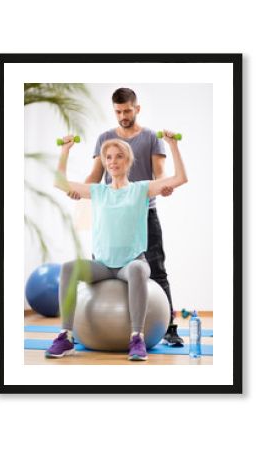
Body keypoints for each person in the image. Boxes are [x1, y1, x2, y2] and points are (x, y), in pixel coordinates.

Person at [45, 133, 187, 361]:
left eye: (119, 156)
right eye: (108, 157)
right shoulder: (97, 191)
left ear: (128, 161)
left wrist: (172, 145)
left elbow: (180, 178)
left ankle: (137, 338)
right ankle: (65, 336)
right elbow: (59, 182)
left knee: (139, 269)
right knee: (69, 268)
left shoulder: (141, 189)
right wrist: (65, 150)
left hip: (131, 263)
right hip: (102, 265)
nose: (113, 161)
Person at [71, 87, 184, 346]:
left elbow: (160, 173)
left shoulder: (150, 139)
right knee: (99, 267)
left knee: (157, 269)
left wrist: (165, 186)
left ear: (137, 109)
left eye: (127, 111)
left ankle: (168, 327)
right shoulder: (104, 138)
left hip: (143, 211)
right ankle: (86, 325)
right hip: (109, 212)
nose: (122, 115)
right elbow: (95, 176)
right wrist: (79, 193)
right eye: (118, 111)